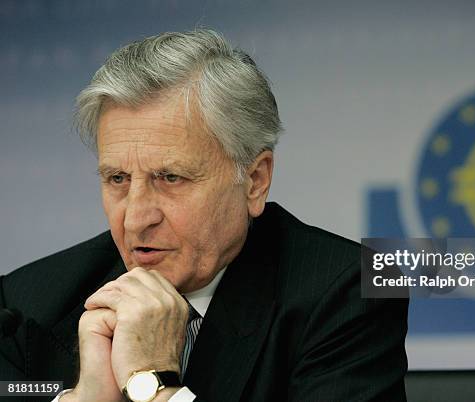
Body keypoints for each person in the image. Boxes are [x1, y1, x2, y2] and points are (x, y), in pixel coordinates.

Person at [0, 30, 408, 402]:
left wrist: (151, 385)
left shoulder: (353, 292)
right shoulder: (27, 303)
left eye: (171, 177)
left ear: (254, 181)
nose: (135, 220)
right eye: (117, 178)